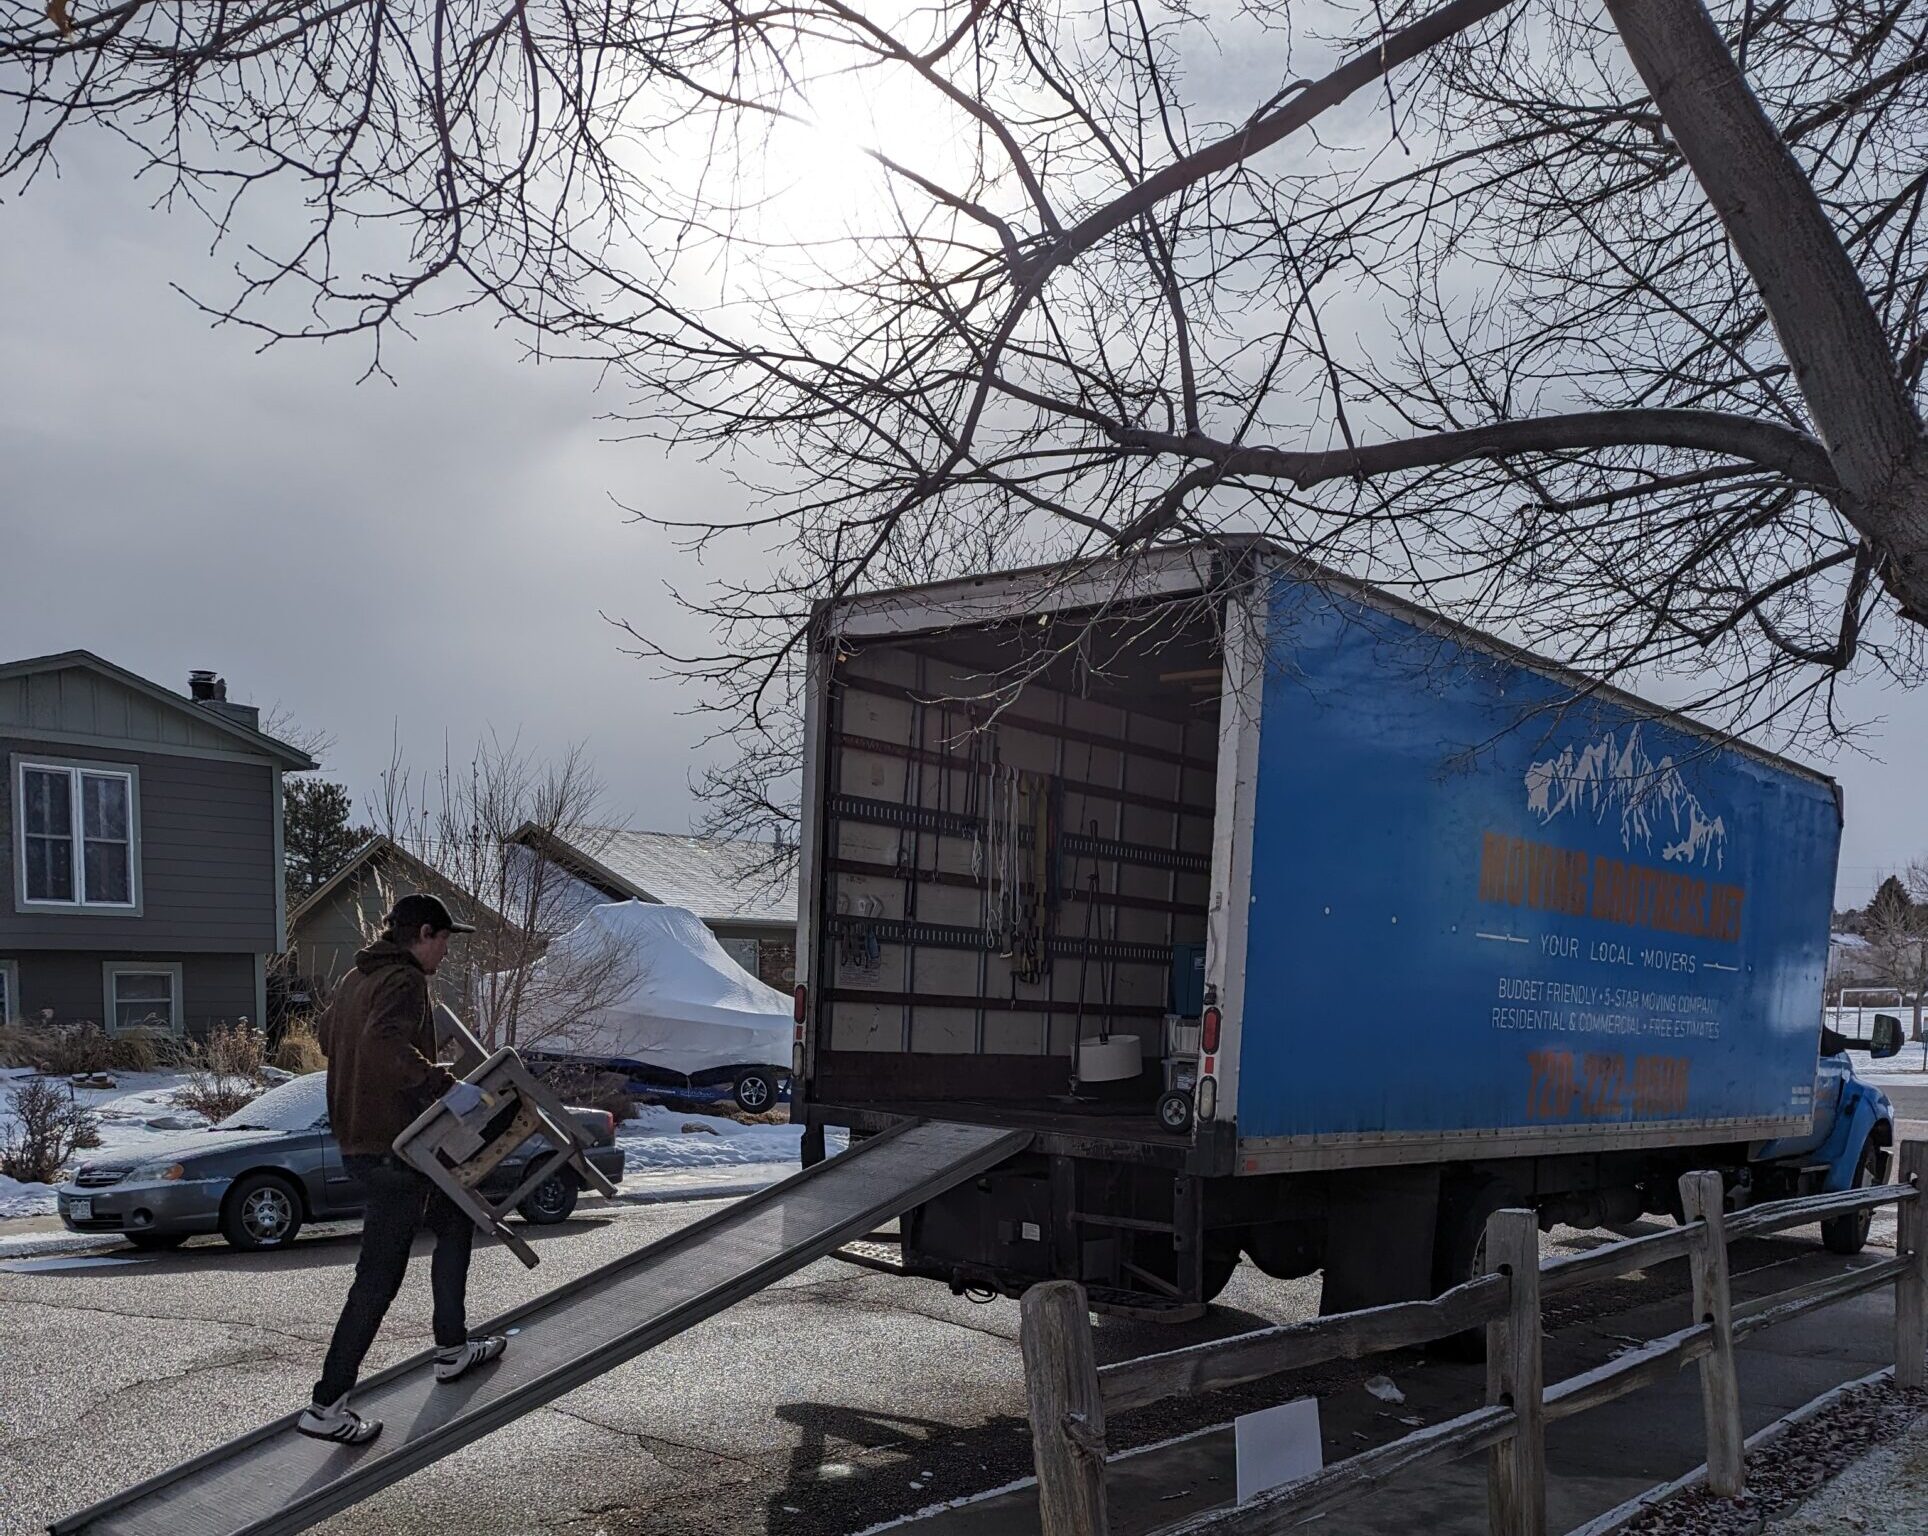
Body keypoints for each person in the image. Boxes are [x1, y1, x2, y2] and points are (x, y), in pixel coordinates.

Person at [299, 892, 507, 1446]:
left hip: (363, 1142)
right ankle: (327, 1404)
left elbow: (330, 1038)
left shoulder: (354, 981)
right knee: (379, 1277)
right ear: (421, 934)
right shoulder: (405, 981)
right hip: (393, 1148)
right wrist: (444, 1085)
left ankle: (452, 1348)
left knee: (455, 1216)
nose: (444, 951)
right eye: (442, 940)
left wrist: (409, 1072)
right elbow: (383, 1045)